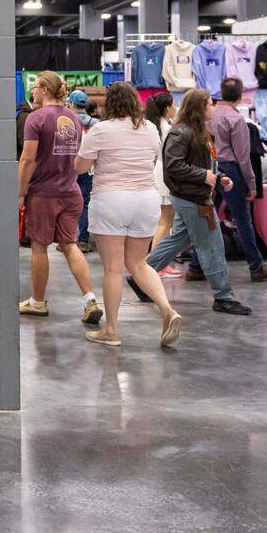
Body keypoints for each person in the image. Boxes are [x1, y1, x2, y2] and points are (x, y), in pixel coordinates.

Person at [75, 82, 181, 348]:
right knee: (139, 264)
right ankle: (167, 309)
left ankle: (111, 330)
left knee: (113, 268)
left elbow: (80, 167)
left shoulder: (101, 130)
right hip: (145, 200)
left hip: (111, 200)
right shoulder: (150, 129)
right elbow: (152, 160)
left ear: (110, 103)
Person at [144, 89, 253, 315]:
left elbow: (207, 163)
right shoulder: (182, 133)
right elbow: (173, 165)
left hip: (194, 196)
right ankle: (223, 297)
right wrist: (203, 176)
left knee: (178, 240)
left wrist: (219, 177)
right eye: (209, 104)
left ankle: (141, 276)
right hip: (192, 198)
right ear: (200, 107)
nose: (213, 108)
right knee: (212, 246)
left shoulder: (197, 131)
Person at [17, 70, 103, 324]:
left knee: (39, 246)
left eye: (35, 87)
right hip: (70, 190)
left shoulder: (36, 118)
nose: (32, 92)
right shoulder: (74, 119)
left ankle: (37, 301)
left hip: (44, 193)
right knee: (69, 244)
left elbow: (28, 158)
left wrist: (20, 193)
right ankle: (89, 299)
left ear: (44, 90)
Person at [208, 77, 267, 282]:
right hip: (231, 169)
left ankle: (196, 265)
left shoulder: (209, 115)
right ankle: (256, 267)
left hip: (212, 167)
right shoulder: (237, 120)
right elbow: (243, 156)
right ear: (240, 96)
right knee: (242, 219)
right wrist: (252, 183)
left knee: (208, 217)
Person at [144, 92, 179, 272]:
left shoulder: (158, 126)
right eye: (174, 105)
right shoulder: (166, 128)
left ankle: (158, 262)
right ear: (167, 108)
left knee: (164, 221)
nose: (176, 108)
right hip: (164, 173)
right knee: (165, 221)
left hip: (159, 172)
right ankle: (155, 264)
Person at [68, 89, 97, 253]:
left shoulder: (66, 121)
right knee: (85, 203)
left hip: (68, 168)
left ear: (72, 104)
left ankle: (67, 239)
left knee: (68, 203)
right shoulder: (96, 124)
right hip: (88, 168)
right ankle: (83, 240)